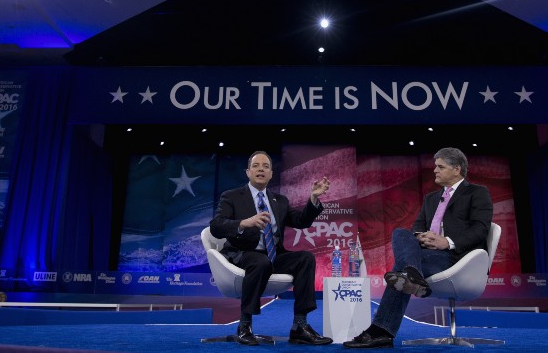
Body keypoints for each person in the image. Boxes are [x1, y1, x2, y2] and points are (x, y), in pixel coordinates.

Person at [344, 147, 493, 349]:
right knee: (400, 232)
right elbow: (417, 227)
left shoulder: (476, 192)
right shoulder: (431, 198)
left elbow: (480, 229)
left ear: (457, 169)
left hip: (456, 258)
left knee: (400, 270)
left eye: (440, 167)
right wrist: (421, 237)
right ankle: (412, 273)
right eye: (435, 166)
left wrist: (446, 241)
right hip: (424, 253)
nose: (435, 170)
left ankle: (382, 331)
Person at [210, 150, 333, 346]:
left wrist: (313, 199)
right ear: (248, 172)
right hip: (243, 254)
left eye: (265, 166)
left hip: (273, 256)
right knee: (260, 261)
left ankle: (299, 326)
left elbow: (301, 221)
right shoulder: (232, 197)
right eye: (256, 166)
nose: (261, 169)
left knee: (305, 258)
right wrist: (244, 223)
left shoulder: (279, 201)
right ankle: (245, 325)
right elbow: (216, 227)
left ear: (271, 174)